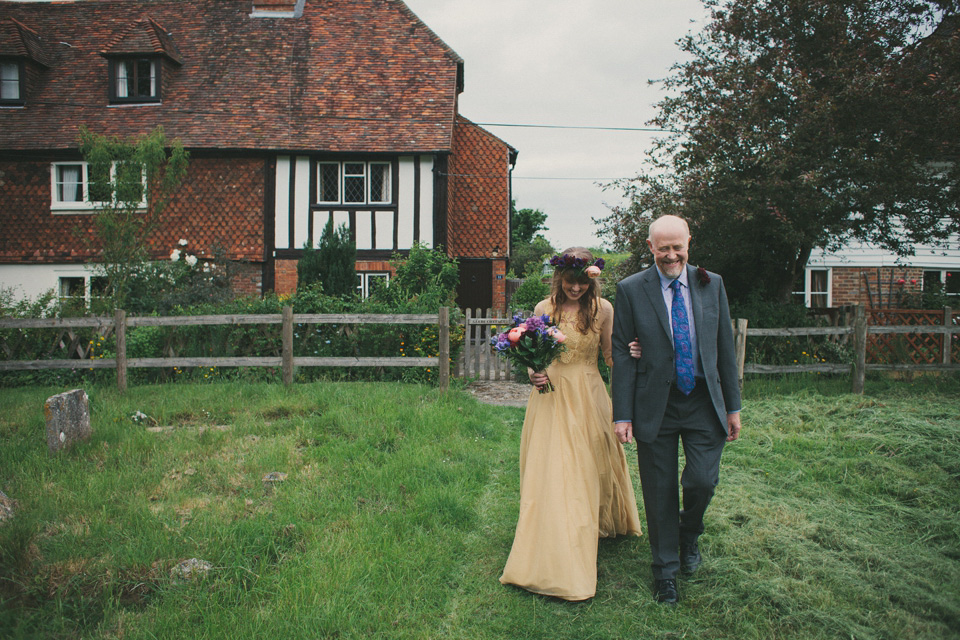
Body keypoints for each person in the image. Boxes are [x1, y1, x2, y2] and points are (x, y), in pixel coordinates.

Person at [611, 215, 742, 605]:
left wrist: (733, 407)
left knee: (702, 481)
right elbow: (622, 350)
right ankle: (665, 571)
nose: (671, 255)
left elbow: (724, 349)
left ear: (689, 243)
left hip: (704, 401)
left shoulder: (711, 283)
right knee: (659, 490)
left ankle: (689, 534)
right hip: (656, 405)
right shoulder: (632, 289)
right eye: (662, 247)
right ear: (650, 247)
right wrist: (623, 414)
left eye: (677, 247)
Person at [500, 247, 643, 601]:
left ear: (591, 279)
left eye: (581, 281)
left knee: (587, 460)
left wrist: (632, 354)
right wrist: (534, 370)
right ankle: (554, 529)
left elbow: (610, 354)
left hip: (589, 393)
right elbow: (534, 351)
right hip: (551, 394)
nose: (575, 288)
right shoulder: (542, 310)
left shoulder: (603, 309)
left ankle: (587, 521)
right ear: (558, 277)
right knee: (554, 462)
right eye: (569, 281)